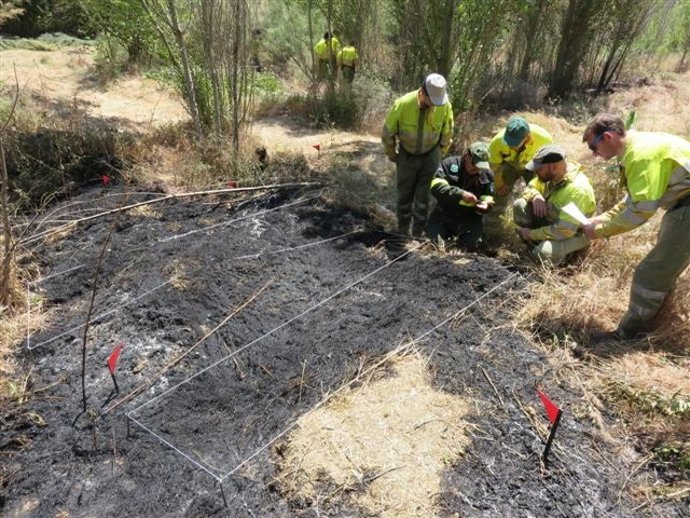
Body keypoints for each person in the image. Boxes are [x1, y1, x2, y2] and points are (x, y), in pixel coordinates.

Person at [582, 113, 690, 341]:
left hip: (686, 209)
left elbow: (641, 211)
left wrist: (600, 231)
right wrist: (602, 219)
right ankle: (656, 323)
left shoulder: (640, 156)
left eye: (594, 146)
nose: (595, 154)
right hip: (681, 208)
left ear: (608, 136)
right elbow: (634, 198)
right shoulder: (636, 146)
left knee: (649, 274)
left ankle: (627, 335)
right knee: (662, 270)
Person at [381, 73, 454, 237]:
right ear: (422, 92)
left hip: (431, 155)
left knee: (423, 198)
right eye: (431, 101)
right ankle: (402, 231)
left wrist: (439, 154)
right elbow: (387, 133)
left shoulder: (445, 105)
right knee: (404, 196)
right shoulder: (402, 104)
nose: (434, 105)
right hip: (407, 155)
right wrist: (392, 154)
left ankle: (417, 233)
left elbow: (447, 133)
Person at [513, 144, 596, 265]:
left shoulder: (577, 190)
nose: (536, 172)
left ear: (553, 166)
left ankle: (567, 259)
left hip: (572, 233)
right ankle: (532, 246)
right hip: (553, 221)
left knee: (543, 253)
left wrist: (531, 234)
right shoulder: (551, 176)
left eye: (539, 169)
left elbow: (564, 231)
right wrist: (535, 196)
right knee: (520, 205)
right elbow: (530, 187)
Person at [427, 141, 495, 251]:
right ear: (467, 156)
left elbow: (488, 196)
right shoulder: (449, 164)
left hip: (469, 218)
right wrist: (460, 194)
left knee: (473, 247)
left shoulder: (487, 175)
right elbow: (436, 187)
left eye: (480, 166)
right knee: (432, 243)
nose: (477, 169)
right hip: (444, 214)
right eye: (474, 164)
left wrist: (486, 205)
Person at [488, 116, 553, 198]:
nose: (510, 145)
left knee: (538, 195)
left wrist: (536, 188)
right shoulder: (497, 142)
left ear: (526, 137)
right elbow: (495, 165)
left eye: (514, 143)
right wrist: (499, 183)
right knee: (499, 194)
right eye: (507, 141)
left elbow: (545, 166)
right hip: (510, 165)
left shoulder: (544, 139)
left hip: (534, 167)